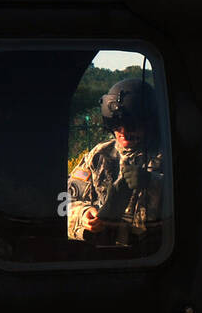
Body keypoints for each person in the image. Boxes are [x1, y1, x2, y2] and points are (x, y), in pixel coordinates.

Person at [66, 78, 164, 246]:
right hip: (106, 254)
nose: (123, 133)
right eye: (116, 124)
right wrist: (85, 216)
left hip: (154, 254)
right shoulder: (99, 156)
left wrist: (153, 182)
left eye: (132, 125)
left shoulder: (167, 154)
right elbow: (65, 201)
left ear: (149, 123)